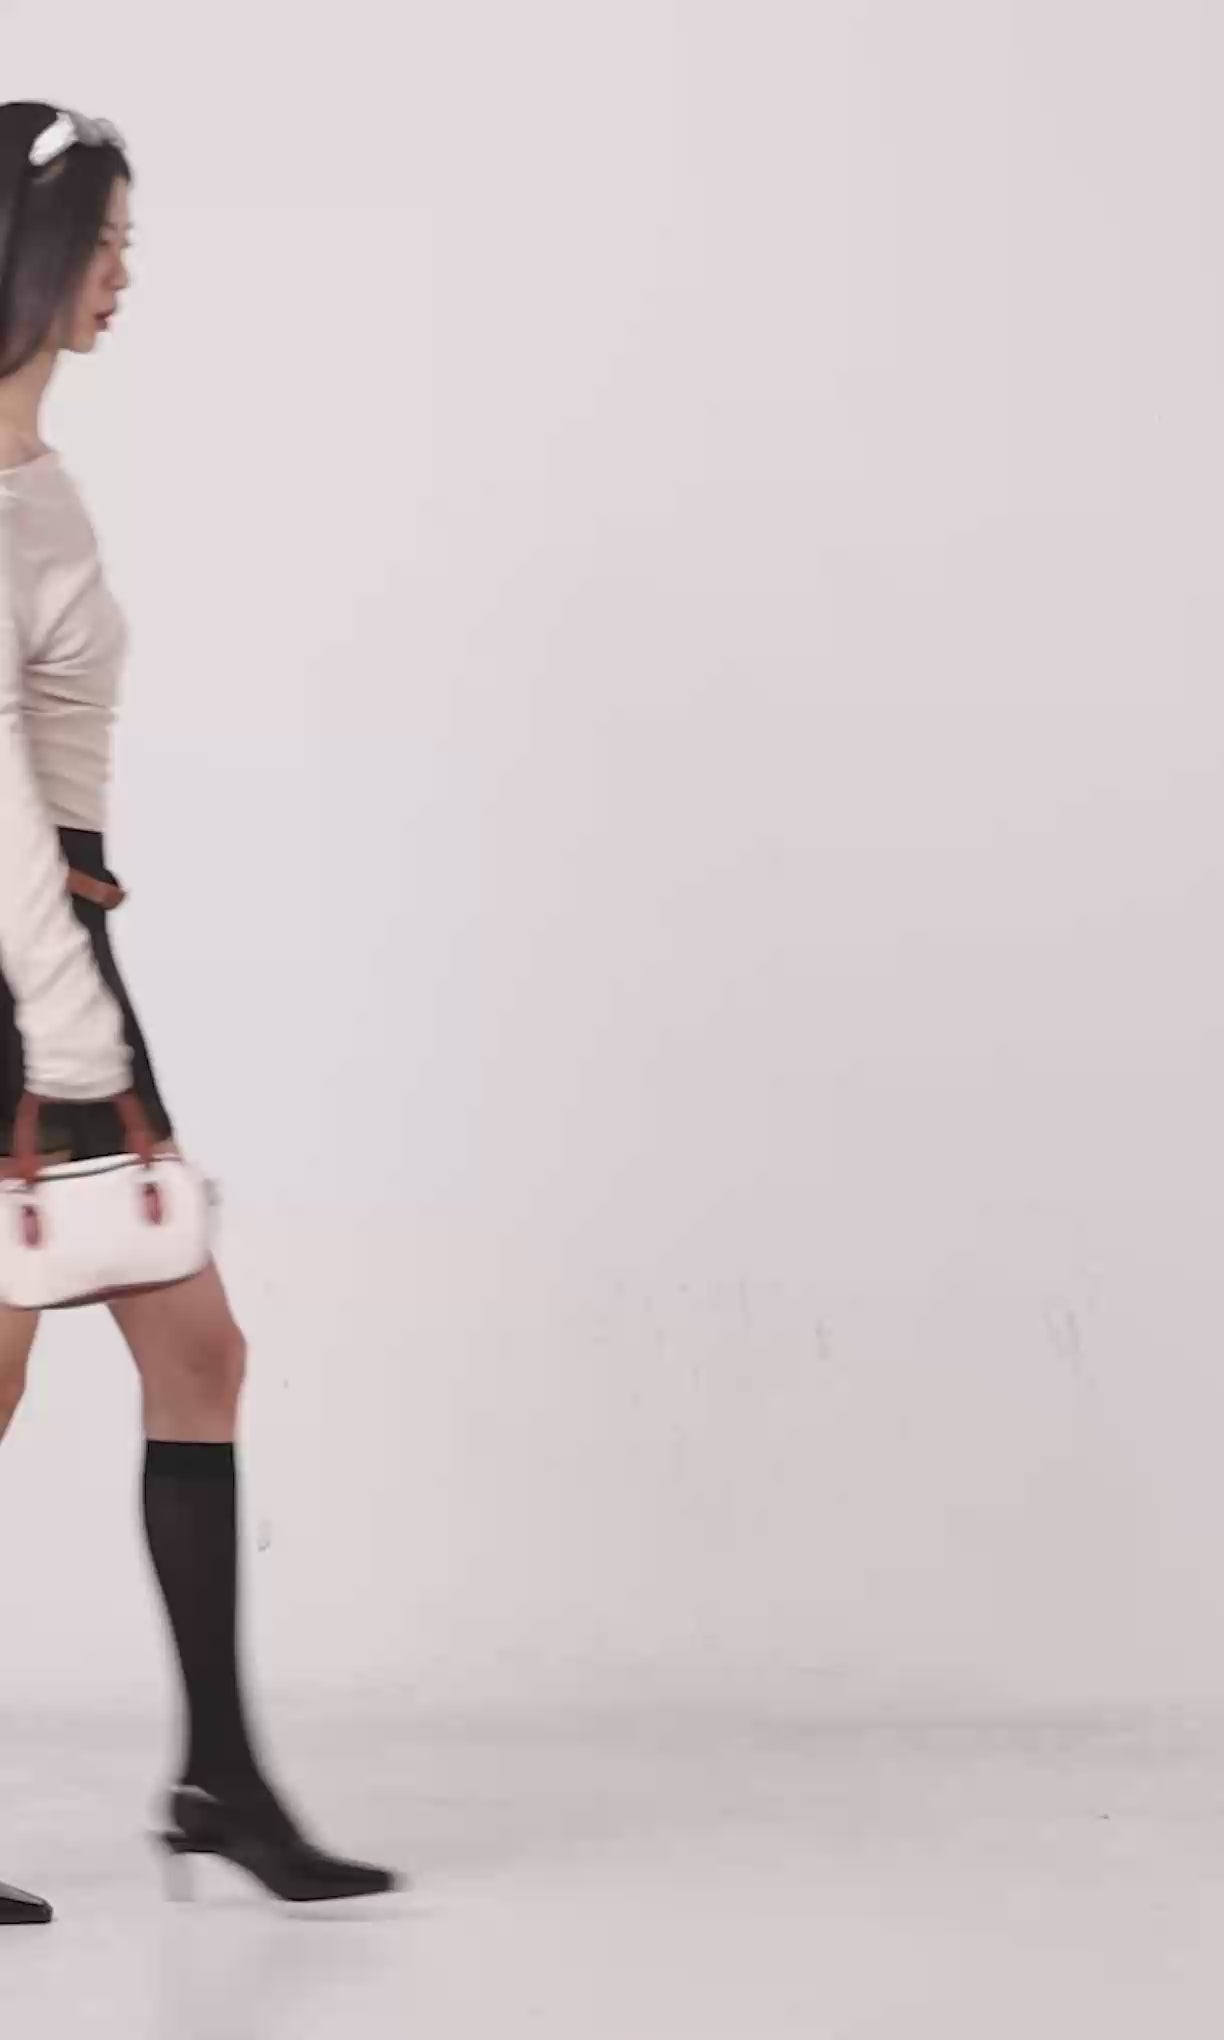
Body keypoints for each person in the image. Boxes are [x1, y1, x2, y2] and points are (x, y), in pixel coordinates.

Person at [0, 103, 399, 1921]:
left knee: (197, 1351)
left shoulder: (42, 478)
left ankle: (218, 1779)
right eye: (107, 244)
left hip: (61, 953)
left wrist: (87, 988)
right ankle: (220, 1780)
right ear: (31, 255)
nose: (125, 275)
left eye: (127, 245)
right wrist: (73, 1031)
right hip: (21, 970)